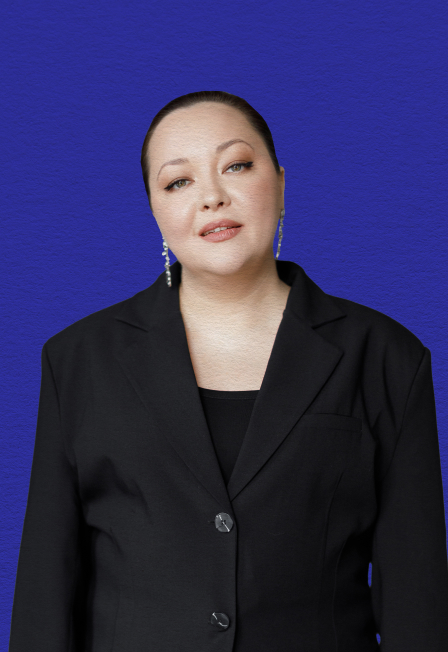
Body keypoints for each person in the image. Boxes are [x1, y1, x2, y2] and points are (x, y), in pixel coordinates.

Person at [8, 90, 448, 651]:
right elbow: (46, 589)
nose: (212, 197)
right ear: (154, 209)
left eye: (236, 165)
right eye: (178, 182)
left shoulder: (386, 355)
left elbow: (417, 598)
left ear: (280, 182)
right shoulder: (79, 359)